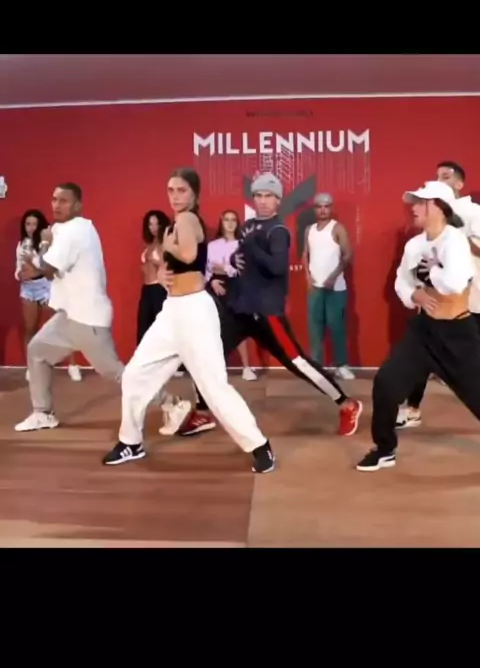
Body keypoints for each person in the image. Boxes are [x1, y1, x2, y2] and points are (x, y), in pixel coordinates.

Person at [102, 168, 275, 474]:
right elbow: (175, 264)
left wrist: (164, 246)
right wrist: (161, 272)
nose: (175, 196)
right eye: (170, 190)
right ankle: (131, 441)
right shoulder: (175, 225)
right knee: (135, 375)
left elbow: (188, 252)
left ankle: (260, 446)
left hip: (195, 311)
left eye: (181, 190)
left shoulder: (187, 219)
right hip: (172, 311)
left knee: (213, 386)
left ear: (195, 194)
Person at [163, 172, 362, 438]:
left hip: (267, 311)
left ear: (278, 200)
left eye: (269, 196)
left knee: (297, 362)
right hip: (241, 309)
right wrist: (234, 261)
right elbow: (241, 259)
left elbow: (277, 268)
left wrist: (253, 249)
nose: (263, 201)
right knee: (205, 355)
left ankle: (347, 404)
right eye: (258, 195)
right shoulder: (248, 226)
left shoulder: (278, 231)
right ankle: (202, 412)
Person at [357, 180, 480, 472]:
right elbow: (402, 281)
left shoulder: (455, 240)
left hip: (457, 334)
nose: (413, 208)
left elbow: (454, 283)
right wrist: (415, 295)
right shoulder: (415, 245)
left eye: (421, 202)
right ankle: (384, 449)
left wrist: (431, 272)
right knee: (386, 382)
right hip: (424, 331)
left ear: (439, 207)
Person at [14, 182, 124, 432]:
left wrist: (43, 246)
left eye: (63, 201)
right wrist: (40, 256)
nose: (56, 205)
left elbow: (47, 269)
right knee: (37, 351)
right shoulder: (61, 230)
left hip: (87, 318)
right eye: (54, 199)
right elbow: (49, 270)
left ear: (77, 205)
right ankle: (42, 413)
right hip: (69, 317)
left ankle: (171, 404)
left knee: (115, 372)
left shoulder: (76, 230)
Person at [396, 161, 480, 430]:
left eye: (446, 177)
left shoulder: (473, 213)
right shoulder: (427, 227)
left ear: (459, 184)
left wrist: (456, 235)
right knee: (421, 353)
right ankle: (412, 408)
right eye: (436, 178)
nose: (439, 182)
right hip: (436, 302)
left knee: (471, 372)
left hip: (471, 299)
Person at [15, 209, 82, 382]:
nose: (31, 228)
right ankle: (32, 367)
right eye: (28, 224)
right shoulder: (22, 244)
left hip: (46, 287)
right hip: (28, 288)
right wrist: (19, 274)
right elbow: (18, 267)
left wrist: (34, 267)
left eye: (34, 224)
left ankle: (73, 365)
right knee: (30, 329)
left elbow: (50, 267)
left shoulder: (48, 243)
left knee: (59, 327)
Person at [302, 192, 354, 380]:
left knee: (336, 326)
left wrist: (333, 276)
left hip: (336, 288)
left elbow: (348, 255)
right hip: (315, 287)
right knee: (315, 327)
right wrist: (307, 277)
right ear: (314, 209)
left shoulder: (337, 228)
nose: (323, 210)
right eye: (319, 206)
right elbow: (305, 254)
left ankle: (341, 365)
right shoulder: (309, 230)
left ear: (331, 208)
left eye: (326, 206)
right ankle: (317, 366)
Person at [206, 209, 257, 381]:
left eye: (233, 220)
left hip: (237, 287)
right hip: (216, 286)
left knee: (238, 327)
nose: (229, 223)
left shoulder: (243, 245)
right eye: (226, 219)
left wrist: (225, 268)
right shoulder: (212, 245)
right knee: (215, 328)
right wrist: (212, 280)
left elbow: (243, 271)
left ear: (237, 223)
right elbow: (208, 269)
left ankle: (246, 368)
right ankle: (217, 368)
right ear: (221, 222)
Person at [136, 209, 170, 344]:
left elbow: (168, 265)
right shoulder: (149, 246)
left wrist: (156, 262)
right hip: (147, 289)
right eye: (150, 224)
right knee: (144, 326)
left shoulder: (165, 244)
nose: (154, 228)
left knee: (161, 327)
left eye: (157, 224)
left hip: (159, 288)